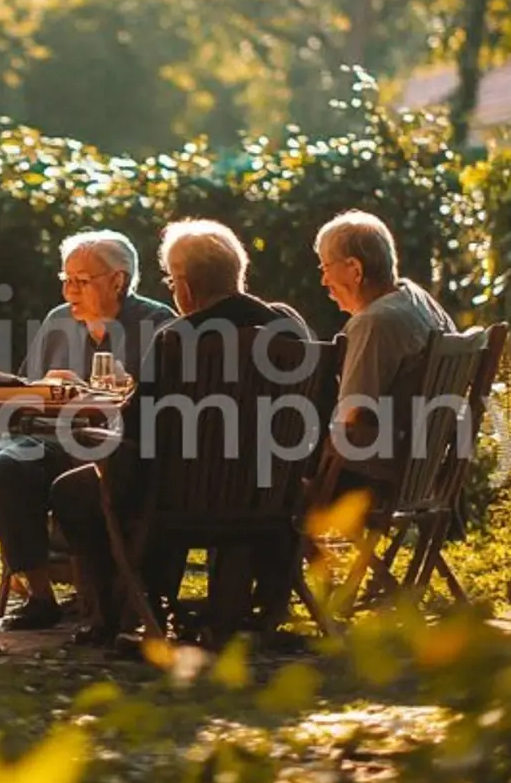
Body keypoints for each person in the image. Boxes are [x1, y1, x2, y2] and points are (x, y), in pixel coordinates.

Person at [51, 219, 313, 645]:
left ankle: (120, 611)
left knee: (74, 489)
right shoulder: (290, 331)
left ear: (186, 288)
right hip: (270, 495)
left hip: (181, 501)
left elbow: (137, 427)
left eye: (172, 282)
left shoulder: (176, 339)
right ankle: (212, 608)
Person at [0, 229, 175, 630]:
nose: (69, 290)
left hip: (121, 447)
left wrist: (92, 390)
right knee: (10, 464)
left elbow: (160, 404)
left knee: (86, 478)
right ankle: (40, 596)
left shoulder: (157, 323)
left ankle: (102, 595)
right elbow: (26, 393)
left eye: (81, 281)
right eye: (66, 280)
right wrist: (46, 388)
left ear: (118, 281)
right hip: (55, 439)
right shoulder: (58, 322)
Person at [314, 209, 455, 487]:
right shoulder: (418, 299)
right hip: (421, 466)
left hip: (376, 473)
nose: (323, 281)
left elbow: (351, 417)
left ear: (355, 269)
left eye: (325, 267)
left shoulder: (374, 323)